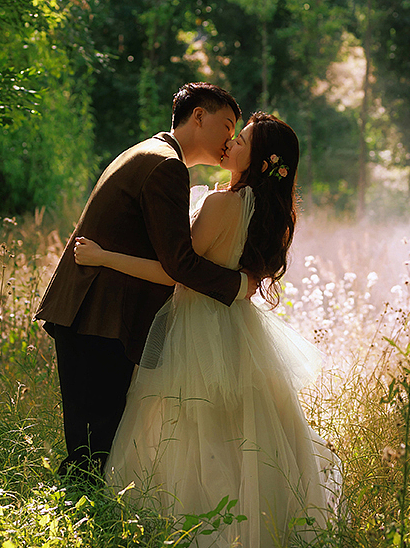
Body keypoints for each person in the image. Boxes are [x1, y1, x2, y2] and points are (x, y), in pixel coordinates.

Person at [74, 112, 338, 548]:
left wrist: (103, 257)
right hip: (237, 328)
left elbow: (176, 272)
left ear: (256, 159)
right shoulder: (263, 212)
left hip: (197, 324)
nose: (230, 143)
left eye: (242, 140)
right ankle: (259, 539)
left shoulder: (222, 204)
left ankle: (180, 545)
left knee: (178, 427)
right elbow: (239, 279)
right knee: (240, 436)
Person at [35, 83, 255, 477]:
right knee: (93, 450)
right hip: (98, 316)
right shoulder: (165, 165)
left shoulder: (150, 152)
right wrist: (238, 286)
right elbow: (179, 262)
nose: (229, 140)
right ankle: (78, 526)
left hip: (93, 313)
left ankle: (82, 523)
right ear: (198, 116)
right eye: (225, 126)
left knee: (94, 444)